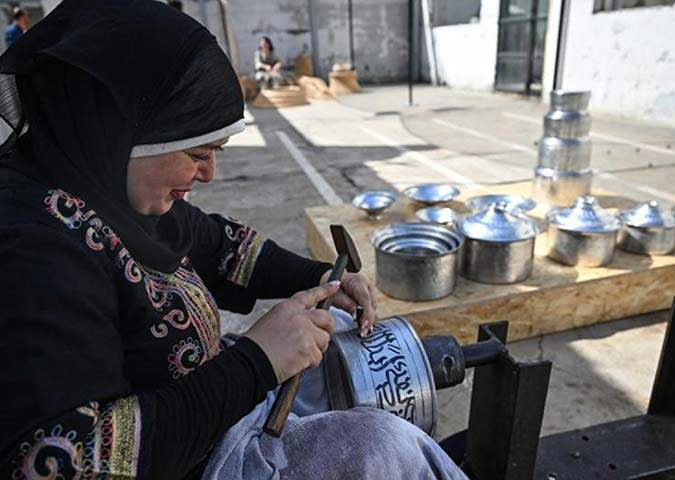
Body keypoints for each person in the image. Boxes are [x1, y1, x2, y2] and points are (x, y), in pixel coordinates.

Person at [0, 1, 468, 479]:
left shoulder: (102, 185)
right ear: (122, 133)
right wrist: (256, 363)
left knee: (341, 354)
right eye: (198, 153)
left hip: (213, 402)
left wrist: (320, 278)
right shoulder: (34, 258)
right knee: (383, 446)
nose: (209, 173)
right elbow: (66, 459)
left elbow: (216, 243)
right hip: (187, 461)